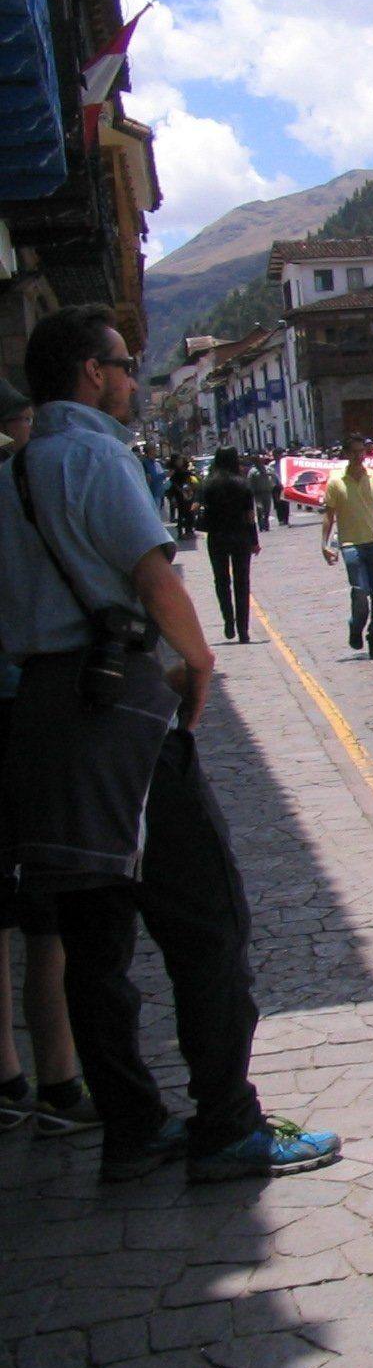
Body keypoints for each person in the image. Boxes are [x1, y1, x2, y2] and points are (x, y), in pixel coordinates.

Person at [0, 304, 339, 1180]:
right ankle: (227, 1122)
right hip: (120, 708)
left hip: (42, 710)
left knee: (92, 939)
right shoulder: (92, 457)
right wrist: (197, 665)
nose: (129, 380)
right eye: (121, 365)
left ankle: (131, 1125)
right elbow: (154, 576)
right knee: (207, 921)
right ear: (88, 373)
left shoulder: (11, 476)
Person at [0, 379, 96, 1140]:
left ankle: (7, 1075)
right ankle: (60, 1077)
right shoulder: (25, 489)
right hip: (25, 706)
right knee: (47, 915)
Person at [321, 432, 373, 657]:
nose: (359, 456)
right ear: (345, 453)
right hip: (351, 545)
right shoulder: (336, 482)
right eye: (354, 452)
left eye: (362, 451)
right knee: (360, 591)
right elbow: (329, 515)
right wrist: (325, 544)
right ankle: (356, 624)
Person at [198, 445, 260, 643]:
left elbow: (197, 506)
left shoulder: (208, 483)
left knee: (221, 580)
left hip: (217, 536)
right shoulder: (242, 484)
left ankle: (228, 621)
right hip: (240, 536)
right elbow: (250, 516)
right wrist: (254, 540)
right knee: (242, 582)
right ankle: (243, 629)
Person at [247, 452, 276, 533]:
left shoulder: (268, 469)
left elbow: (274, 477)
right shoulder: (252, 471)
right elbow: (249, 483)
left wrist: (273, 485)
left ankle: (266, 525)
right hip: (258, 493)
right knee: (260, 509)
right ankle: (261, 526)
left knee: (267, 509)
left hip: (267, 492)